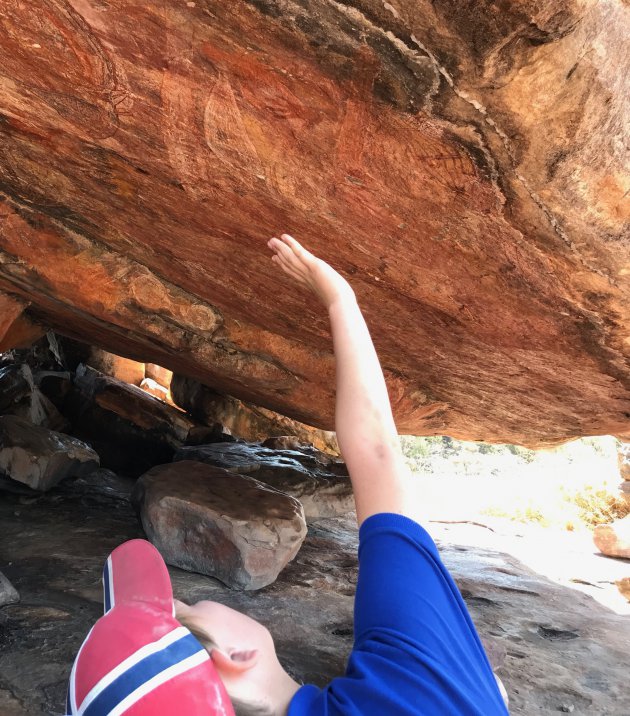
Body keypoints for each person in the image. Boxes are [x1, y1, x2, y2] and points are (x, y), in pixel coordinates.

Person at [66, 234, 509, 716]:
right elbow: (378, 452)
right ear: (234, 658)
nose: (189, 602)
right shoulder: (413, 683)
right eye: (186, 612)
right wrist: (341, 298)